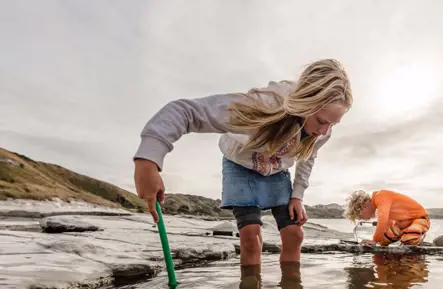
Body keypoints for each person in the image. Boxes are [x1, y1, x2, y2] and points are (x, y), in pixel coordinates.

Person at [133, 59, 352, 266]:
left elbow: (308, 157)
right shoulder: (263, 105)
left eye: (333, 124)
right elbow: (185, 111)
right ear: (306, 102)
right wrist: (148, 161)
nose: (324, 132)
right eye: (322, 121)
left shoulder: (323, 132)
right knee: (250, 239)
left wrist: (297, 195)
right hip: (240, 165)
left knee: (294, 235)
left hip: (277, 171)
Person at [344, 189, 430, 246]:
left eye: (360, 216)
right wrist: (381, 241)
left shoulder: (381, 196)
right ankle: (409, 238)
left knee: (408, 238)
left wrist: (374, 240)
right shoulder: (379, 203)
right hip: (402, 224)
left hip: (420, 219)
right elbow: (388, 223)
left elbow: (383, 220)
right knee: (383, 241)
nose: (362, 219)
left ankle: (416, 238)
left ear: (364, 206)